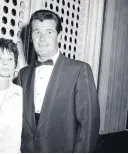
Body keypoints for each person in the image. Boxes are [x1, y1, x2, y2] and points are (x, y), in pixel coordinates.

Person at [17, 9, 100, 153]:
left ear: (59, 36)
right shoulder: (23, 74)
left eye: (49, 32)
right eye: (37, 32)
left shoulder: (80, 70)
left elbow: (89, 126)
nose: (42, 38)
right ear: (30, 37)